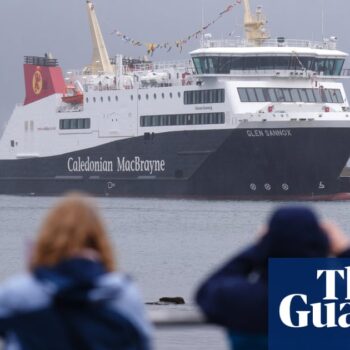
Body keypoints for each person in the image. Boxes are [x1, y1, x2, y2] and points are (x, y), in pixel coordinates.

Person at [0, 193, 152, 350]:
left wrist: (35, 271)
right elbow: (142, 343)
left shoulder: (20, 291)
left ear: (46, 235)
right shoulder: (123, 292)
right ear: (99, 238)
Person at [195, 206, 350, 350]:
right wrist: (344, 250)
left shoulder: (239, 300)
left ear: (267, 244)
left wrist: (259, 247)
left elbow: (206, 290)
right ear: (324, 243)